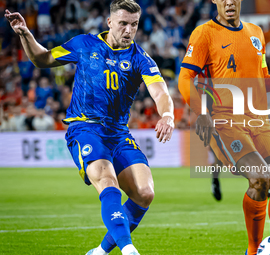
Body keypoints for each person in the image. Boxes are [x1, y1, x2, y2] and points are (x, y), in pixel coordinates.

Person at [5, 0, 175, 255]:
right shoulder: (85, 44)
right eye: (123, 24)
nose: (129, 30)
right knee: (108, 182)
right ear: (109, 23)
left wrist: (168, 115)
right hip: (85, 127)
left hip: (118, 133)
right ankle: (129, 250)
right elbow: (43, 59)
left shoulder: (141, 58)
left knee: (145, 193)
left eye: (134, 25)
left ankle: (100, 251)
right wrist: (26, 34)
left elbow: (160, 93)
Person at [178, 0, 270, 255]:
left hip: (259, 121)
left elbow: (262, 81)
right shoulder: (204, 34)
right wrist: (201, 113)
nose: (229, 1)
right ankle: (253, 251)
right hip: (225, 122)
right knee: (260, 177)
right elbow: (184, 78)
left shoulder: (256, 33)